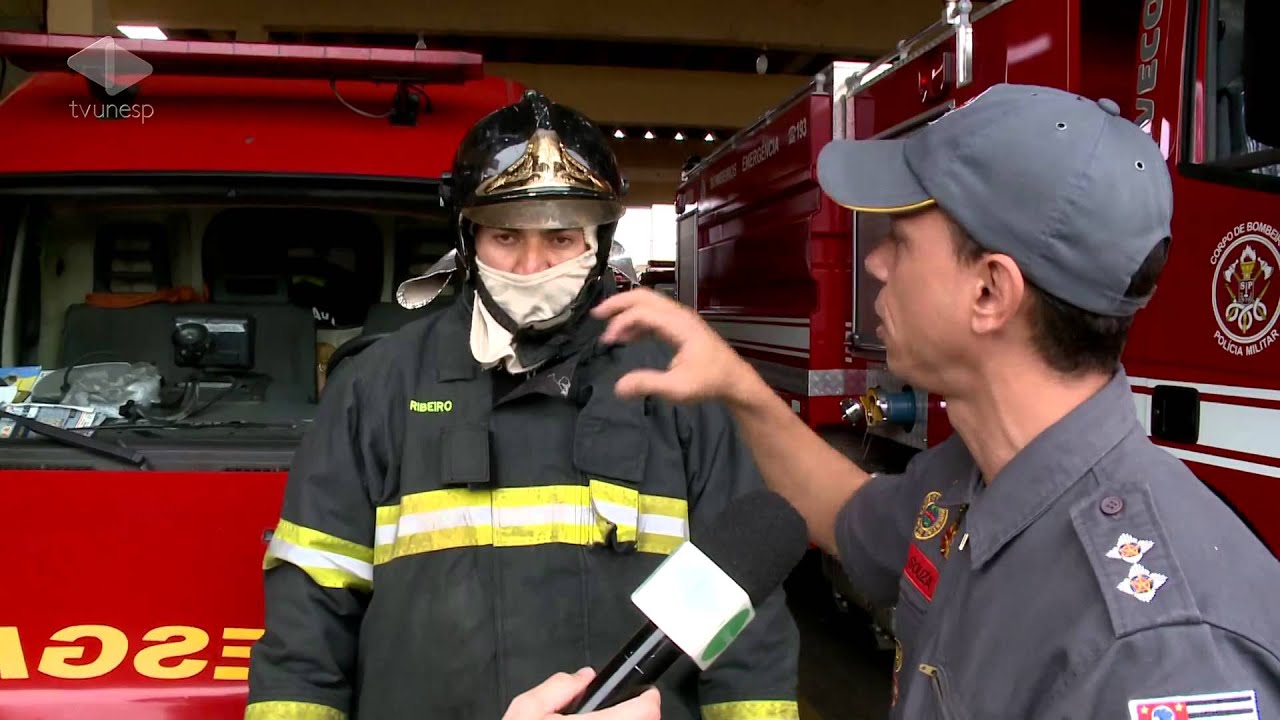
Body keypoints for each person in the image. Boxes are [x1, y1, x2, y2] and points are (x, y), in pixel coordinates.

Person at [591, 83, 1280, 718]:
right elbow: (842, 511)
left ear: (989, 294)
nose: (875, 262)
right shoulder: (971, 480)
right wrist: (733, 382)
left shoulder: (1158, 653)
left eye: (902, 238)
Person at [243, 90, 800, 720]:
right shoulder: (377, 388)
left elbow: (746, 638)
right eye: (506, 236)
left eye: (560, 238)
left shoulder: (674, 388)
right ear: (467, 235)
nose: (533, 267)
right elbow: (306, 628)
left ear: (598, 238)